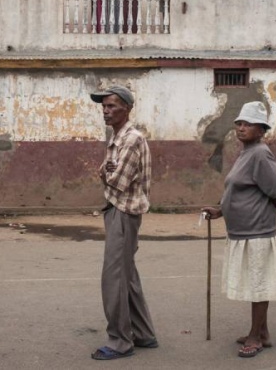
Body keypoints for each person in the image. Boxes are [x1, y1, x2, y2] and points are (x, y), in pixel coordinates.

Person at [202, 101, 276, 359]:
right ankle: (262, 332)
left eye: (248, 124)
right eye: (239, 123)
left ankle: (255, 336)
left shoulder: (261, 153)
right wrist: (221, 210)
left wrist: (263, 212)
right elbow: (237, 189)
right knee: (254, 282)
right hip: (243, 230)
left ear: (261, 130)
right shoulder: (246, 152)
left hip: (257, 230)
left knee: (258, 284)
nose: (241, 127)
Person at [89, 85, 157, 361]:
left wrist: (107, 173)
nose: (106, 110)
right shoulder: (117, 136)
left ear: (127, 109)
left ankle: (120, 341)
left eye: (112, 106)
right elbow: (105, 171)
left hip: (123, 211)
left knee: (114, 278)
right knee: (126, 276)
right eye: (104, 106)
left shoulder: (130, 139)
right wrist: (107, 172)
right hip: (118, 210)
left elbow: (116, 180)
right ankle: (142, 333)